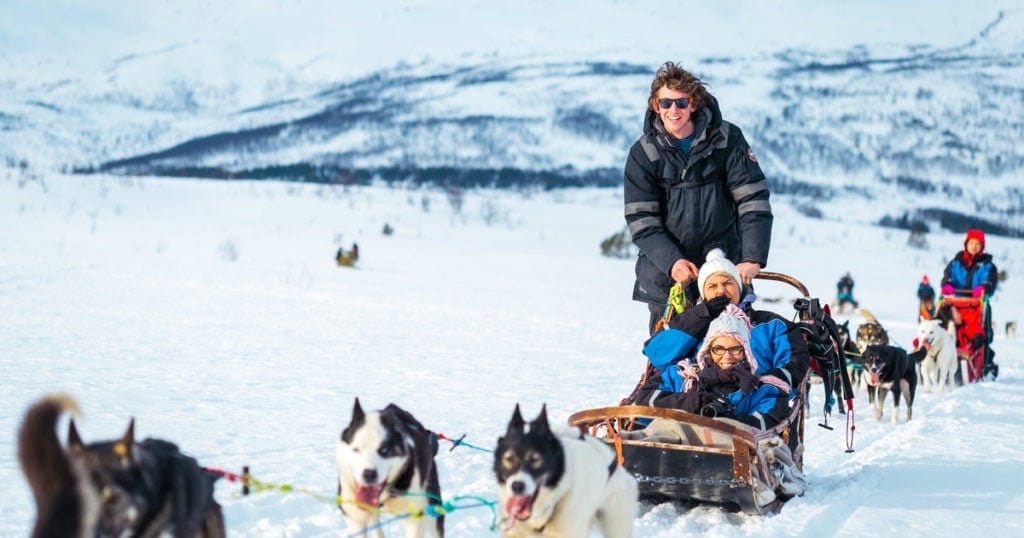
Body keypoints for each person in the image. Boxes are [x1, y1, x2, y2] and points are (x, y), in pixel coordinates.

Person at [623, 61, 773, 334]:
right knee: (672, 353)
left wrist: (752, 258)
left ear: (694, 104)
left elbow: (753, 201)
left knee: (730, 347)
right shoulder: (644, 153)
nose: (673, 110)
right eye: (665, 103)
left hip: (724, 266)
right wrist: (672, 262)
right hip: (667, 275)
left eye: (681, 103)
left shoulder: (726, 139)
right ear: (655, 106)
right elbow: (642, 220)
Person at [631, 249, 810, 429]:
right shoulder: (693, 321)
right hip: (697, 395)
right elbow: (658, 355)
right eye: (712, 286)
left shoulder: (771, 325)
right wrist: (702, 314)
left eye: (727, 283)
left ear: (739, 286)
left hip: (751, 400)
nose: (721, 291)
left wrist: (757, 385)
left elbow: (794, 364)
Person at [941, 228, 998, 377]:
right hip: (955, 304)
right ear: (966, 243)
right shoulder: (955, 263)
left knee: (982, 334)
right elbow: (947, 278)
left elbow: (991, 282)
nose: (974, 246)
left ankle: (985, 365)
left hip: (977, 305)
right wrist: (947, 285)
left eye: (978, 243)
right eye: (972, 242)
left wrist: (985, 287)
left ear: (982, 246)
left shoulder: (987, 265)